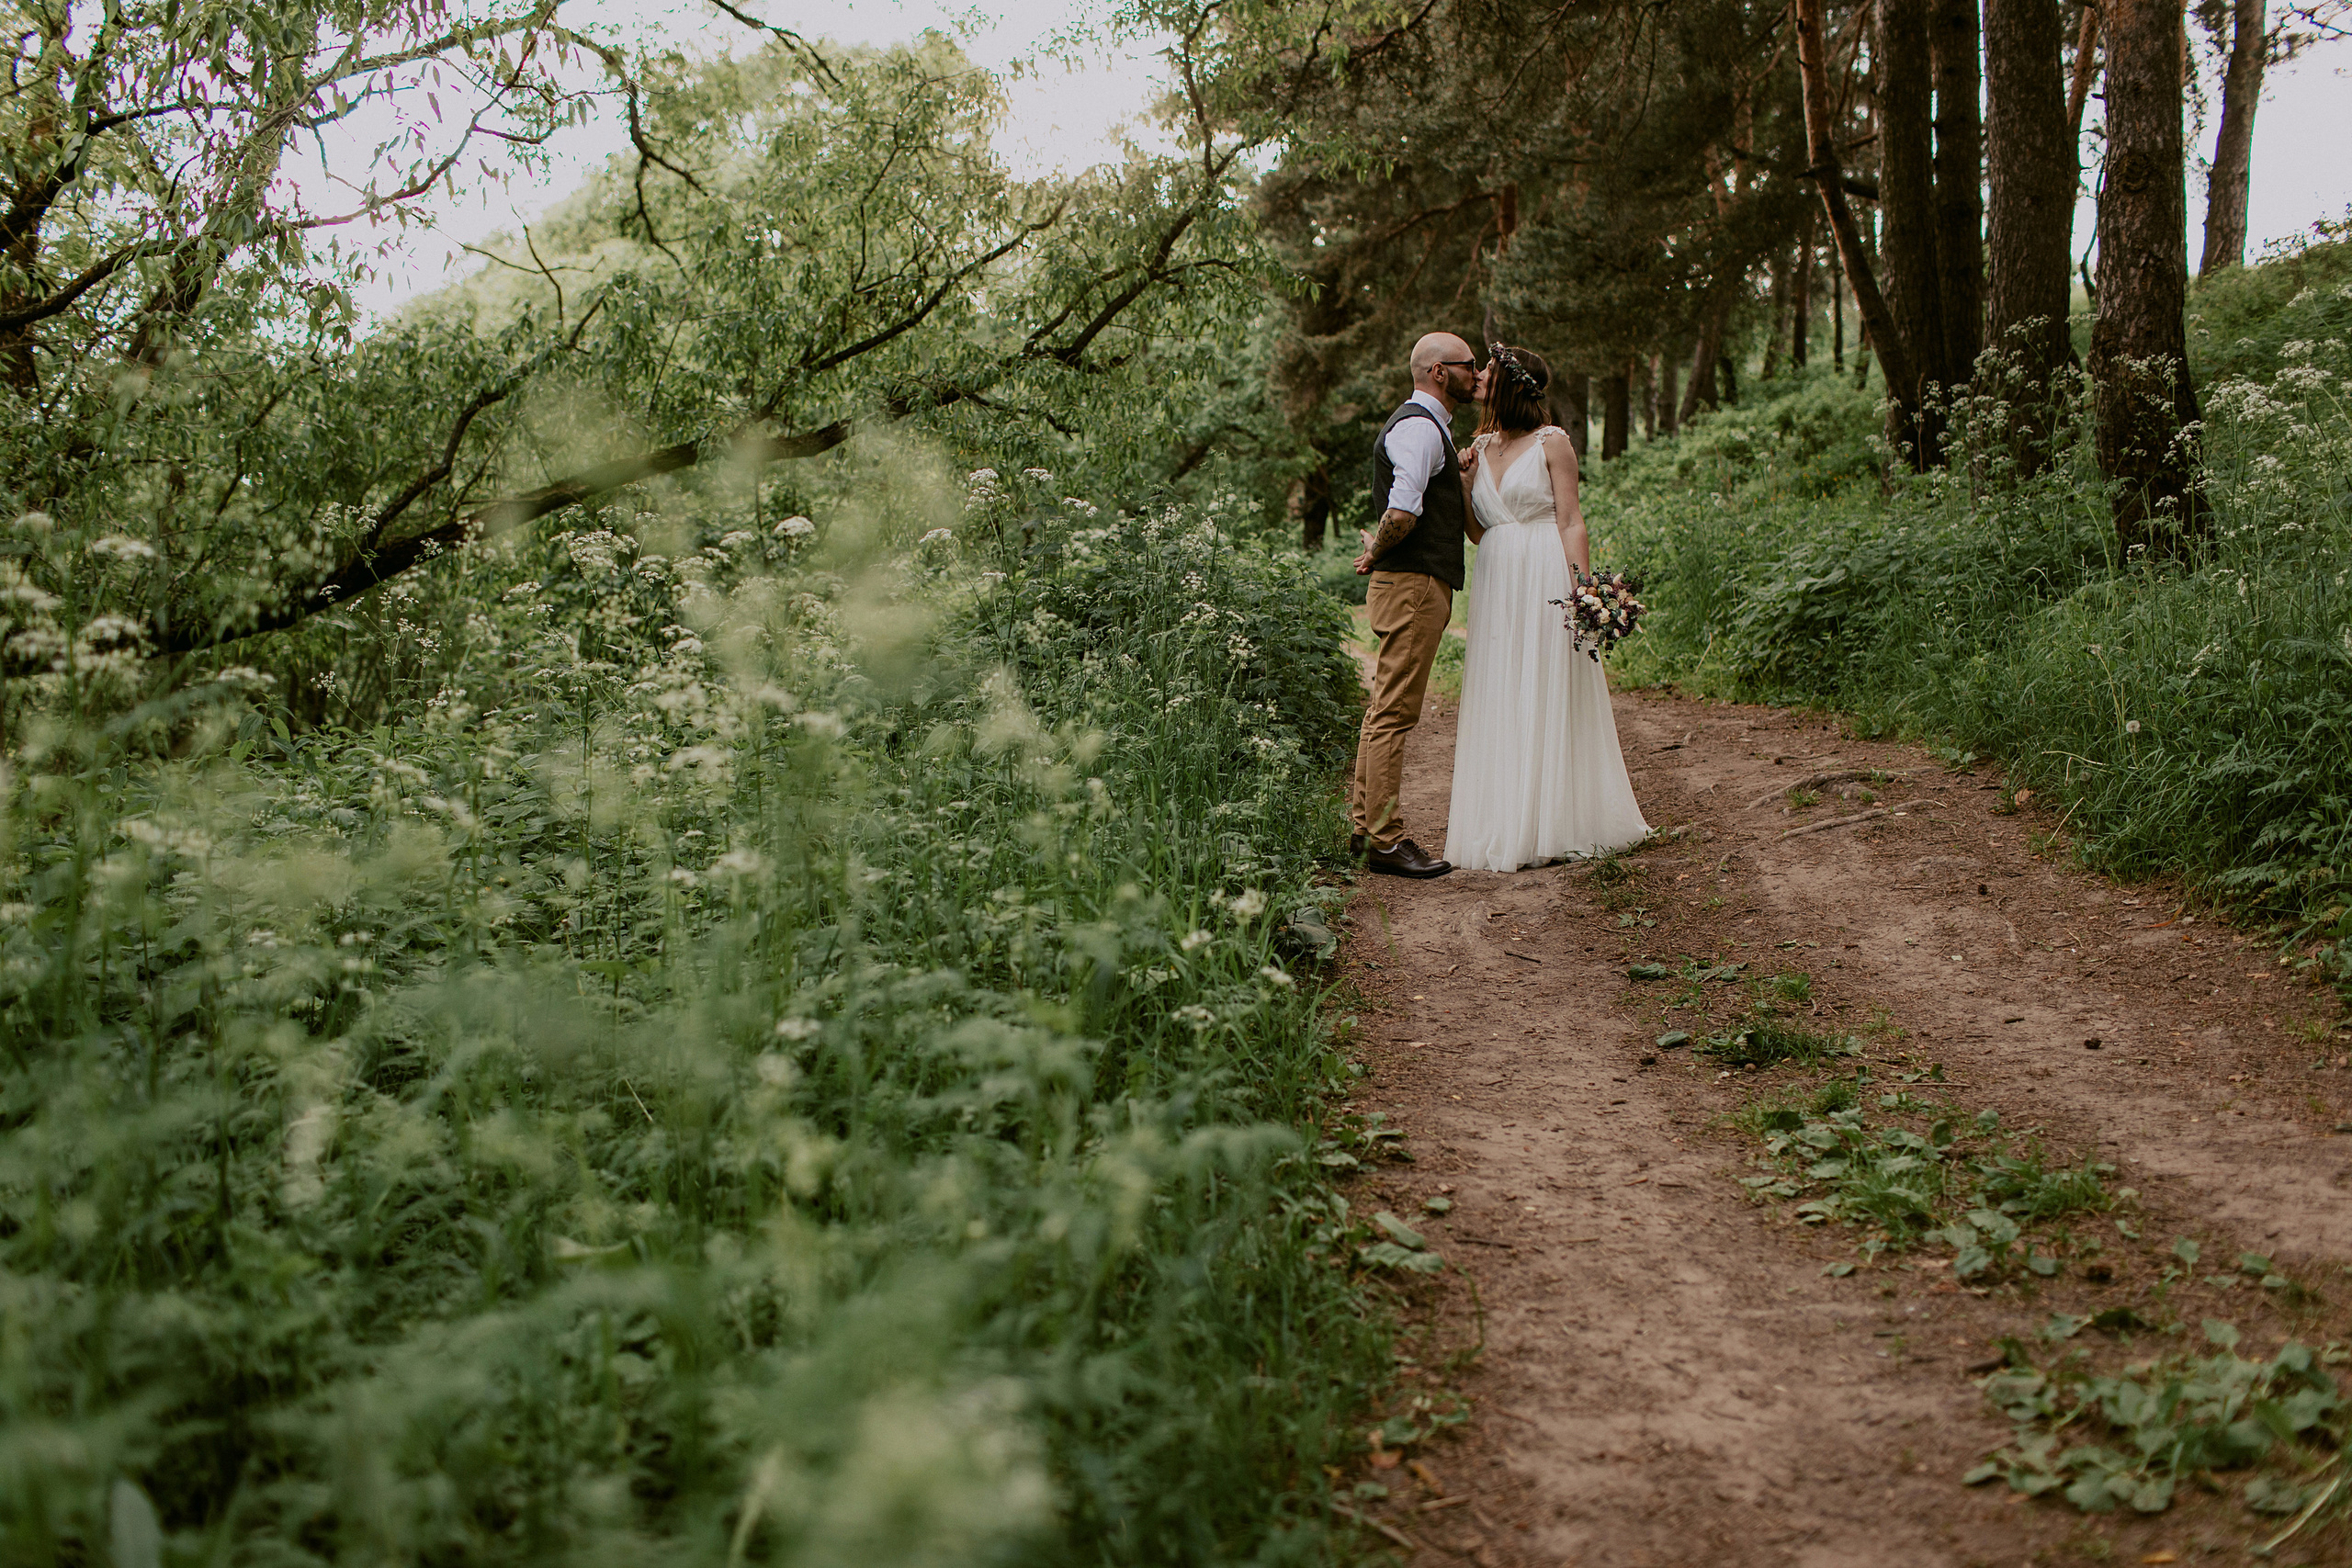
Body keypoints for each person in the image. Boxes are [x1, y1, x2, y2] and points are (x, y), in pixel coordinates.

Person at [1442, 343, 1649, 872]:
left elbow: (1571, 520)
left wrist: (1582, 589)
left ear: (1513, 383)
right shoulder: (1479, 446)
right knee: (1502, 686)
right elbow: (1477, 532)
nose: (1479, 378)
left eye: (1488, 372)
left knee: (1545, 683)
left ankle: (1554, 821)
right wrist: (1465, 485)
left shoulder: (1553, 443)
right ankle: (1506, 821)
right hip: (1497, 575)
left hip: (1543, 571)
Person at [1351, 332, 1476, 878]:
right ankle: (1384, 840)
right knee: (1395, 711)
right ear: (1440, 373)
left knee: (1385, 709)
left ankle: (1365, 831)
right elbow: (1403, 509)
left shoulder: (1429, 430)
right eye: (1469, 365)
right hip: (1414, 585)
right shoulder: (1421, 428)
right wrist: (1377, 548)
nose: (1477, 373)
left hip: (1411, 584)